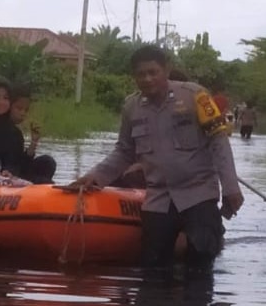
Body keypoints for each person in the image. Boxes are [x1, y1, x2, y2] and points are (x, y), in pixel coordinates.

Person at [68, 44, 244, 267]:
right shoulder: (131, 107)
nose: (148, 79)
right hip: (158, 200)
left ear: (166, 70)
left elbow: (219, 142)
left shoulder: (195, 96)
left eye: (153, 72)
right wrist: (94, 177)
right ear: (134, 77)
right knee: (152, 268)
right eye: (141, 74)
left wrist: (230, 187)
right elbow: (124, 151)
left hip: (198, 195)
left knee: (200, 264)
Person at [7, 86, 57, 184]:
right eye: (19, 108)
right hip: (6, 174)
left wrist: (33, 142)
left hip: (17, 172)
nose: (23, 113)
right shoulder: (0, 129)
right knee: (43, 181)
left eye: (26, 110)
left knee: (47, 162)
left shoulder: (16, 133)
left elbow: (22, 163)